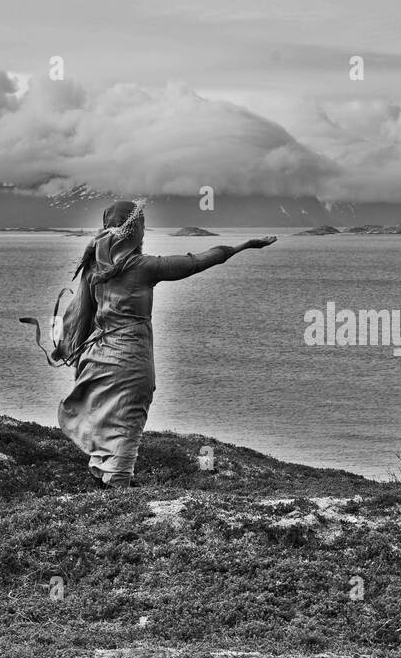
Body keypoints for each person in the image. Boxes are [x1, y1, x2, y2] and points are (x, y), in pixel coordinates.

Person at [58, 200, 276, 488]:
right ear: (133, 230)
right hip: (130, 359)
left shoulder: (94, 267)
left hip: (97, 356)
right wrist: (244, 245)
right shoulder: (142, 267)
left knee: (105, 414)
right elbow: (196, 262)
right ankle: (119, 489)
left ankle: (103, 478)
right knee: (128, 418)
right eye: (143, 226)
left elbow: (80, 315)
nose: (145, 232)